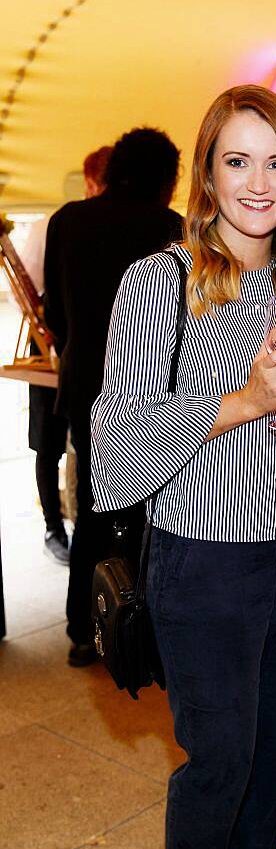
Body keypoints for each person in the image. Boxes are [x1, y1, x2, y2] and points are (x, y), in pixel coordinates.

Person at [91, 85, 276, 849]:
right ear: (207, 171)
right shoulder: (163, 279)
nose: (258, 182)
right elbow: (115, 439)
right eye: (237, 160)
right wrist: (244, 402)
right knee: (220, 751)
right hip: (203, 556)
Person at [44, 128, 183, 666]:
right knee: (150, 513)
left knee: (94, 511)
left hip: (83, 385)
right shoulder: (167, 229)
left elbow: (55, 314)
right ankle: (137, 625)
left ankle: (85, 627)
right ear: (168, 179)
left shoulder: (67, 221)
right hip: (153, 388)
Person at [21, 146, 112, 565]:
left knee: (57, 447)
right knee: (51, 445)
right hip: (58, 356)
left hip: (69, 357)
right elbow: (34, 295)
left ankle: (64, 531)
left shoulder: (61, 225)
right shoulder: (54, 226)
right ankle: (56, 529)